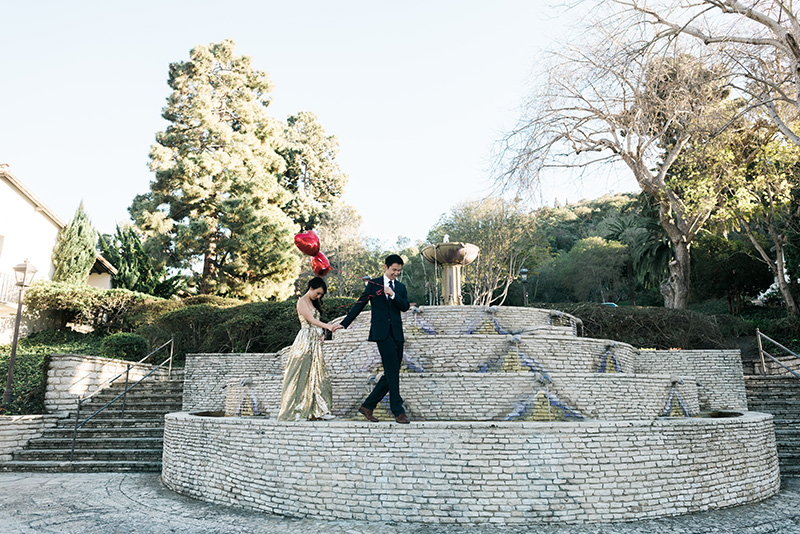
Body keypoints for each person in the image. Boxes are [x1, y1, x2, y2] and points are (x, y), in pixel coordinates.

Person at [339, 254, 411, 423]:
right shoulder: (373, 284)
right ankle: (398, 411)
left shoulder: (400, 287)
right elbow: (360, 304)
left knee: (391, 372)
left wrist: (393, 295)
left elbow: (405, 306)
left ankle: (368, 405)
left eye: (399, 271)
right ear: (385, 267)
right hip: (382, 333)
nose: (396, 273)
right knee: (392, 371)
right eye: (394, 270)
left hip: (397, 334)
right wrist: (344, 324)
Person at [278, 277, 342, 421]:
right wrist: (329, 327)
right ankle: (298, 411)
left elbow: (316, 324)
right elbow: (311, 321)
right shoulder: (301, 302)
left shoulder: (312, 302)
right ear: (311, 288)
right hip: (305, 342)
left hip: (315, 342)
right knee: (301, 375)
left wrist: (321, 333)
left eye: (321, 295)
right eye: (317, 293)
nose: (318, 297)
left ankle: (320, 409)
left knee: (318, 375)